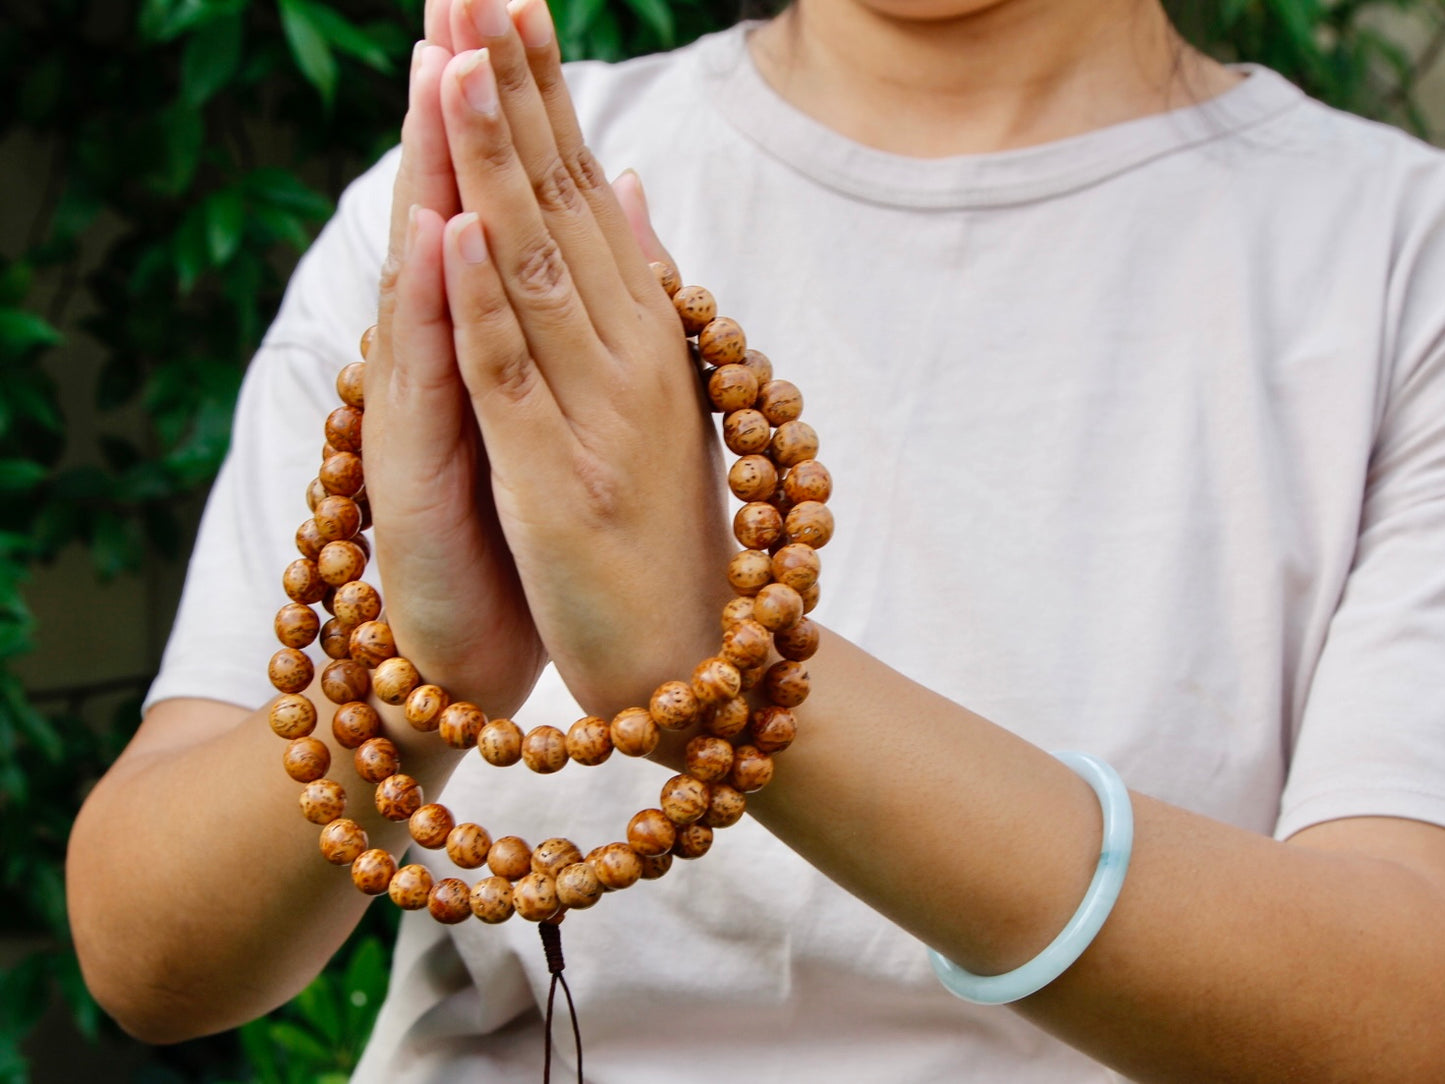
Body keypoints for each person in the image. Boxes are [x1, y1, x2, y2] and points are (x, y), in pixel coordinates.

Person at [67, 0, 1445, 1079]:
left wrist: (725, 668)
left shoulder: (1395, 260)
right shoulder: (488, 215)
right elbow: (144, 950)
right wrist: (415, 666)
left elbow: (1402, 1015)